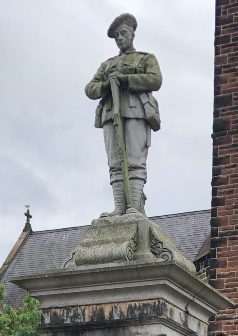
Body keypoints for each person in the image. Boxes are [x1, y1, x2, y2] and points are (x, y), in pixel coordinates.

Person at [84, 13, 162, 217]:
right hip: (111, 115)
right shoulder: (106, 65)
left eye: (123, 33)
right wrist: (105, 85)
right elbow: (90, 88)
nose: (120, 38)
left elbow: (155, 80)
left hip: (136, 112)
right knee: (115, 164)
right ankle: (119, 208)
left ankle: (134, 207)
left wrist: (126, 80)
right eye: (116, 35)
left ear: (132, 33)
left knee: (135, 161)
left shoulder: (145, 58)